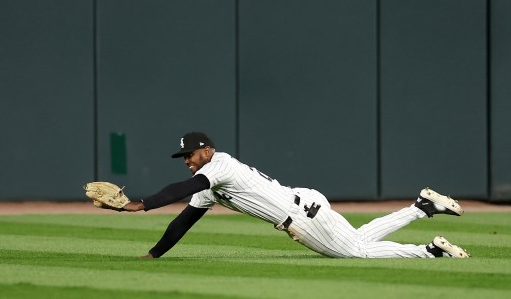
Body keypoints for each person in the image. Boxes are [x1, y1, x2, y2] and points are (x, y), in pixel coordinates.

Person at [122, 132, 470, 259]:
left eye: (190, 155)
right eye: (183, 157)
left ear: (208, 150)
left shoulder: (219, 166)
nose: (186, 161)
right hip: (305, 199)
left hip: (300, 217)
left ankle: (429, 252)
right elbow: (185, 218)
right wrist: (154, 254)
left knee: (357, 252)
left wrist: (141, 204)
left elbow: (181, 190)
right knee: (357, 238)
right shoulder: (211, 180)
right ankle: (422, 207)